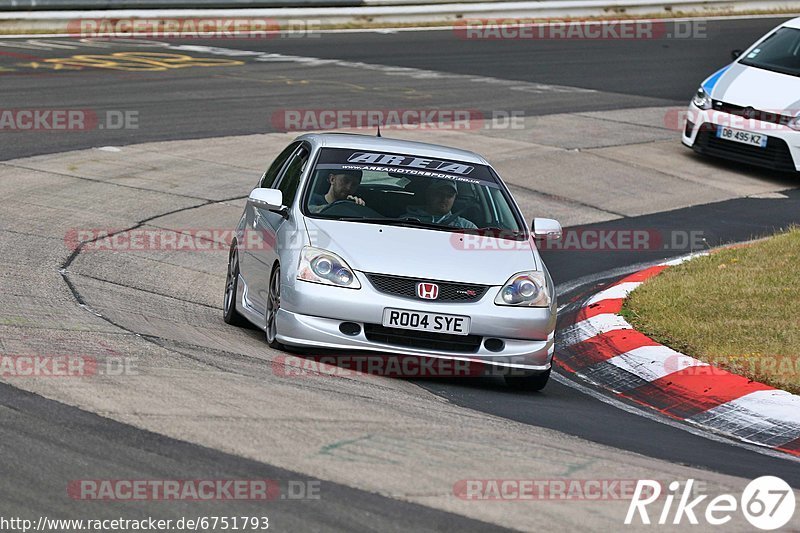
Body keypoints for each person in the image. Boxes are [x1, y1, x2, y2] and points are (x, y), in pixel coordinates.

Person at [404, 179, 477, 229]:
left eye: (449, 195)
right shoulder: (405, 221)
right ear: (429, 194)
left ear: (455, 198)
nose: (444, 199)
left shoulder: (467, 227)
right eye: (439, 194)